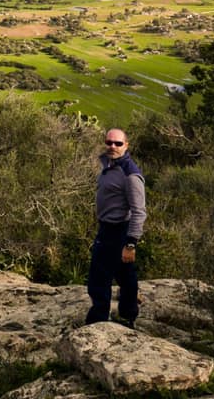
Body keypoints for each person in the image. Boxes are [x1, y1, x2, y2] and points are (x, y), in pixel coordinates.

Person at [85, 127, 146, 328]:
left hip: (119, 231)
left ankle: (98, 321)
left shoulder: (130, 174)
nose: (112, 146)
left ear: (126, 145)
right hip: (107, 228)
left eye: (118, 143)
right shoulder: (108, 164)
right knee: (125, 275)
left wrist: (130, 243)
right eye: (109, 142)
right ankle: (128, 316)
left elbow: (139, 211)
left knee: (99, 277)